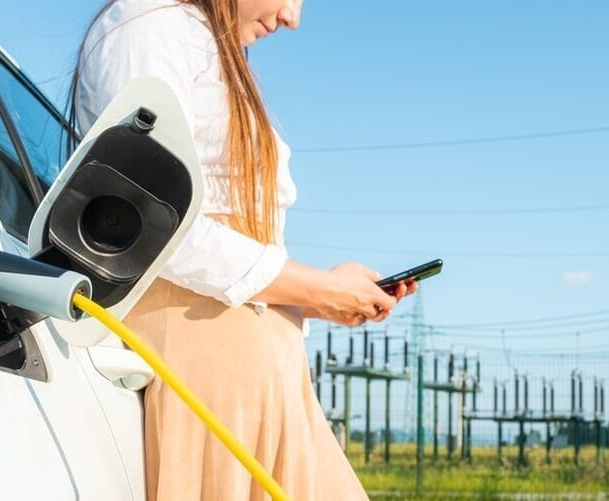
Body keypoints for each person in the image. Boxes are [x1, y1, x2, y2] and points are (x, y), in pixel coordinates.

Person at [69, 0, 416, 499]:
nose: (293, 17)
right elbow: (148, 223)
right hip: (205, 353)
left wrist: (316, 297)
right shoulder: (151, 29)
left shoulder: (195, 39)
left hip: (254, 360)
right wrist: (319, 286)